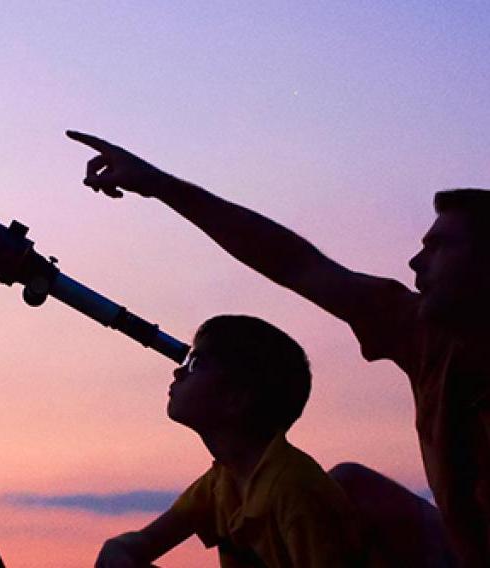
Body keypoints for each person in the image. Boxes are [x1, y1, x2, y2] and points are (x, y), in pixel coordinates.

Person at [68, 130, 488, 566]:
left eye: (440, 248)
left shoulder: (291, 487)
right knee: (351, 485)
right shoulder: (424, 336)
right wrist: (160, 185)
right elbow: (294, 262)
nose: (416, 263)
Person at [96, 315, 364, 567]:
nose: (178, 373)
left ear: (236, 399)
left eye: (196, 364)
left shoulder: (295, 490)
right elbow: (152, 539)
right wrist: (121, 548)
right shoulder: (222, 482)